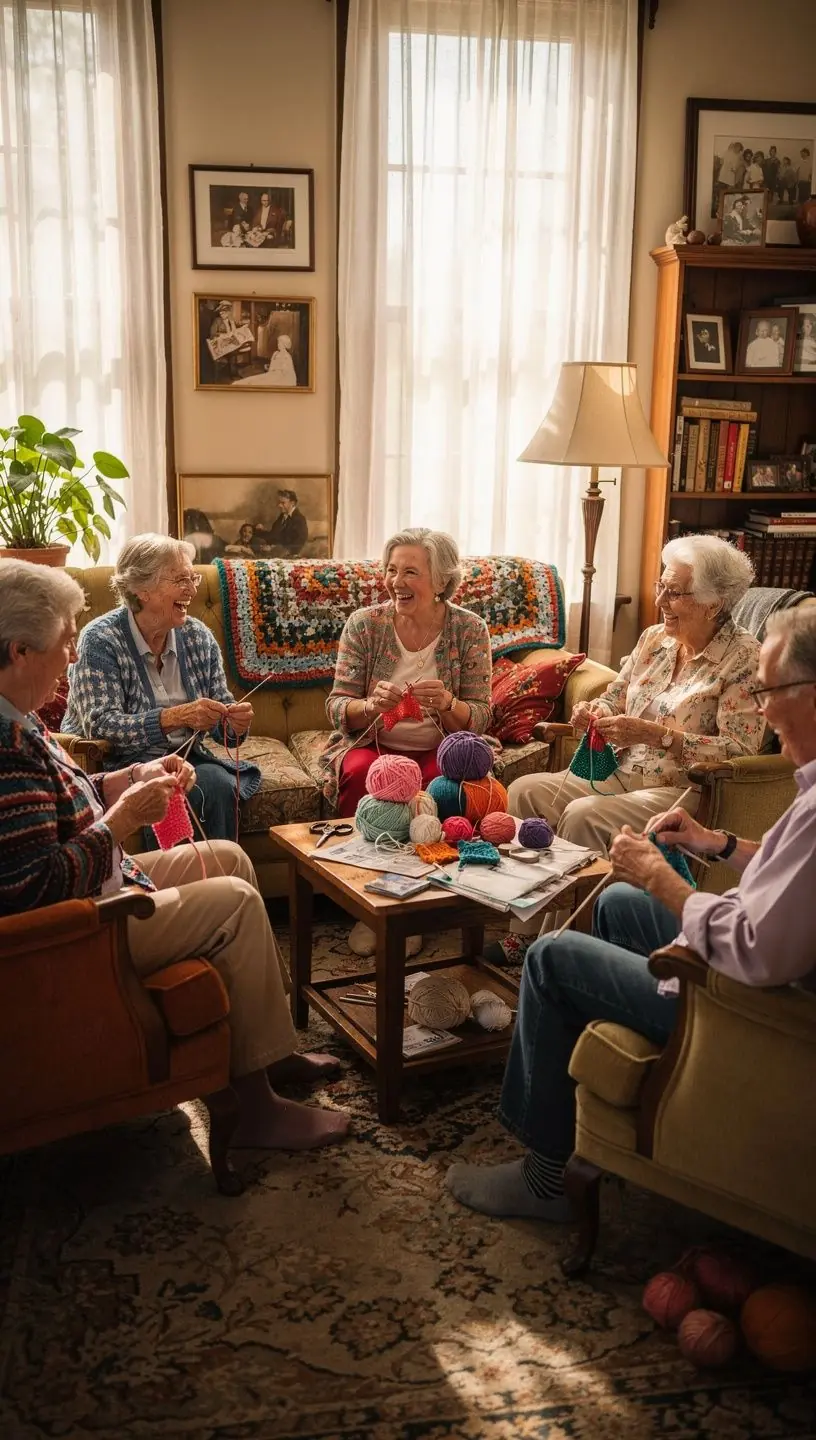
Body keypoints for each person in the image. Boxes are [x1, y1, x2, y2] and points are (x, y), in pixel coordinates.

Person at [447, 605, 816, 1223]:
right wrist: (718, 844)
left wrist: (664, 880)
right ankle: (624, 1086)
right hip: (747, 967)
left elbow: (754, 949)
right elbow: (790, 878)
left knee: (553, 957)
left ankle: (545, 1181)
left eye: (771, 692)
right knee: (617, 899)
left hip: (751, 1004)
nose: (763, 710)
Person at [0, 561, 350, 1150]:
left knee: (230, 861)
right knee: (236, 900)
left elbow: (67, 800)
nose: (70, 659)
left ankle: (270, 1053)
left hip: (102, 884)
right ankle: (256, 1109)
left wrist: (132, 777)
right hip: (81, 927)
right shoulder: (5, 750)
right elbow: (38, 887)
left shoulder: (18, 716)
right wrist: (125, 819)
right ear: (17, 651)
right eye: (63, 644)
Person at [493, 535, 763, 964]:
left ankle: (562, 943)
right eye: (661, 586)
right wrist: (591, 710)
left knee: (584, 815)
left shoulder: (744, 658)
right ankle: (523, 929)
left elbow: (739, 750)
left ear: (714, 602)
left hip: (679, 789)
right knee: (526, 789)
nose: (660, 600)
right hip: (618, 770)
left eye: (675, 593)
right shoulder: (656, 639)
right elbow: (615, 697)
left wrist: (658, 735)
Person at [323, 527, 492, 949]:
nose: (396, 582)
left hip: (441, 749)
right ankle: (369, 907)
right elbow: (336, 706)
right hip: (373, 745)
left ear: (441, 582)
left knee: (445, 793)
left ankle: (418, 910)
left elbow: (482, 717)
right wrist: (369, 705)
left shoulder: (470, 630)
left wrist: (450, 703)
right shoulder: (364, 625)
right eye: (392, 570)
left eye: (410, 572)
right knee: (362, 777)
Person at [63, 534, 261, 843]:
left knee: (218, 784)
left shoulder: (198, 637)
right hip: (124, 765)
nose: (193, 589)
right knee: (166, 791)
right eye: (181, 579)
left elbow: (224, 726)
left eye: (192, 577)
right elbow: (100, 725)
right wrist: (175, 717)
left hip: (187, 758)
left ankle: (215, 881)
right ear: (142, 589)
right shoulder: (100, 641)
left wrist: (234, 723)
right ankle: (172, 884)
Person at [265, 489, 308, 555]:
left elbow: (300, 541)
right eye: (279, 502)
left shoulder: (299, 519)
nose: (279, 505)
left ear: (292, 503)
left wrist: (281, 550)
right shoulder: (283, 516)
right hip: (276, 552)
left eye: (283, 503)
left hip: (288, 555)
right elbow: (273, 534)